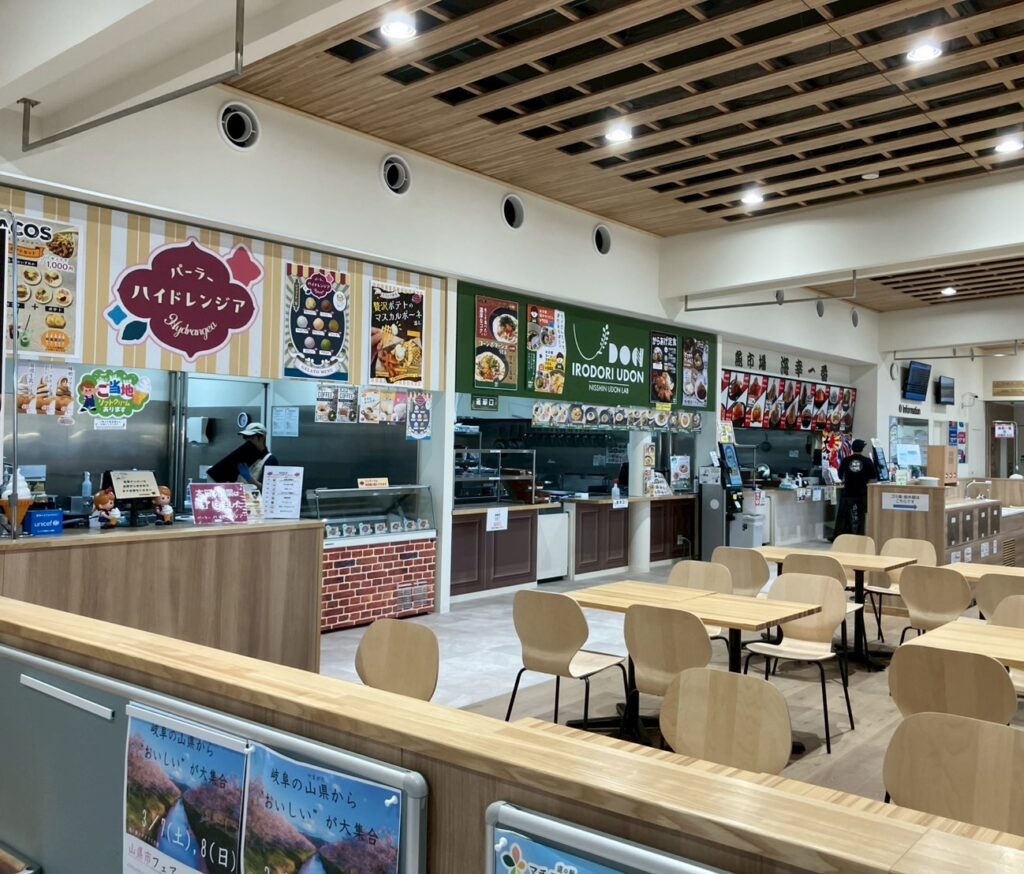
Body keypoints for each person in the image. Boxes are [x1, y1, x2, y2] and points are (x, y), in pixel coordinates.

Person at [207, 422, 278, 487]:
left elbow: (269, 490)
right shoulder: (241, 456)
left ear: (262, 438)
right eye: (246, 437)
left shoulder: (270, 460)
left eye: (252, 438)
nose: (248, 441)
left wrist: (249, 478)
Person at [835, 439, 878, 537]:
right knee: (861, 515)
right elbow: (874, 475)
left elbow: (840, 475)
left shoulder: (846, 460)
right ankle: (860, 535)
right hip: (862, 493)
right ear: (862, 449)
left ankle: (843, 535)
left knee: (845, 515)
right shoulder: (867, 461)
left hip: (848, 492)